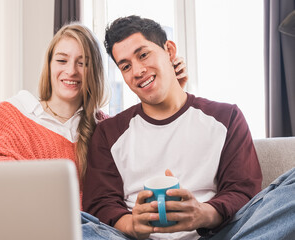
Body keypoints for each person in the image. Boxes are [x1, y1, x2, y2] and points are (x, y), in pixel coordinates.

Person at [82, 15, 295, 240]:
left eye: (143, 55)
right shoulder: (108, 133)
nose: (137, 71)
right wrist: (133, 224)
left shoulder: (226, 117)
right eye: (126, 66)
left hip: (219, 235)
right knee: (77, 222)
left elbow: (242, 192)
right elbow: (101, 204)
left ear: (170, 50)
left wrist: (203, 214)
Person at [0, 23, 188, 197]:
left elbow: (147, 167)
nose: (71, 71)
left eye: (82, 63)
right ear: (49, 65)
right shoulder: (15, 112)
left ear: (94, 71)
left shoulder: (105, 128)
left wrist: (172, 93)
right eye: (62, 60)